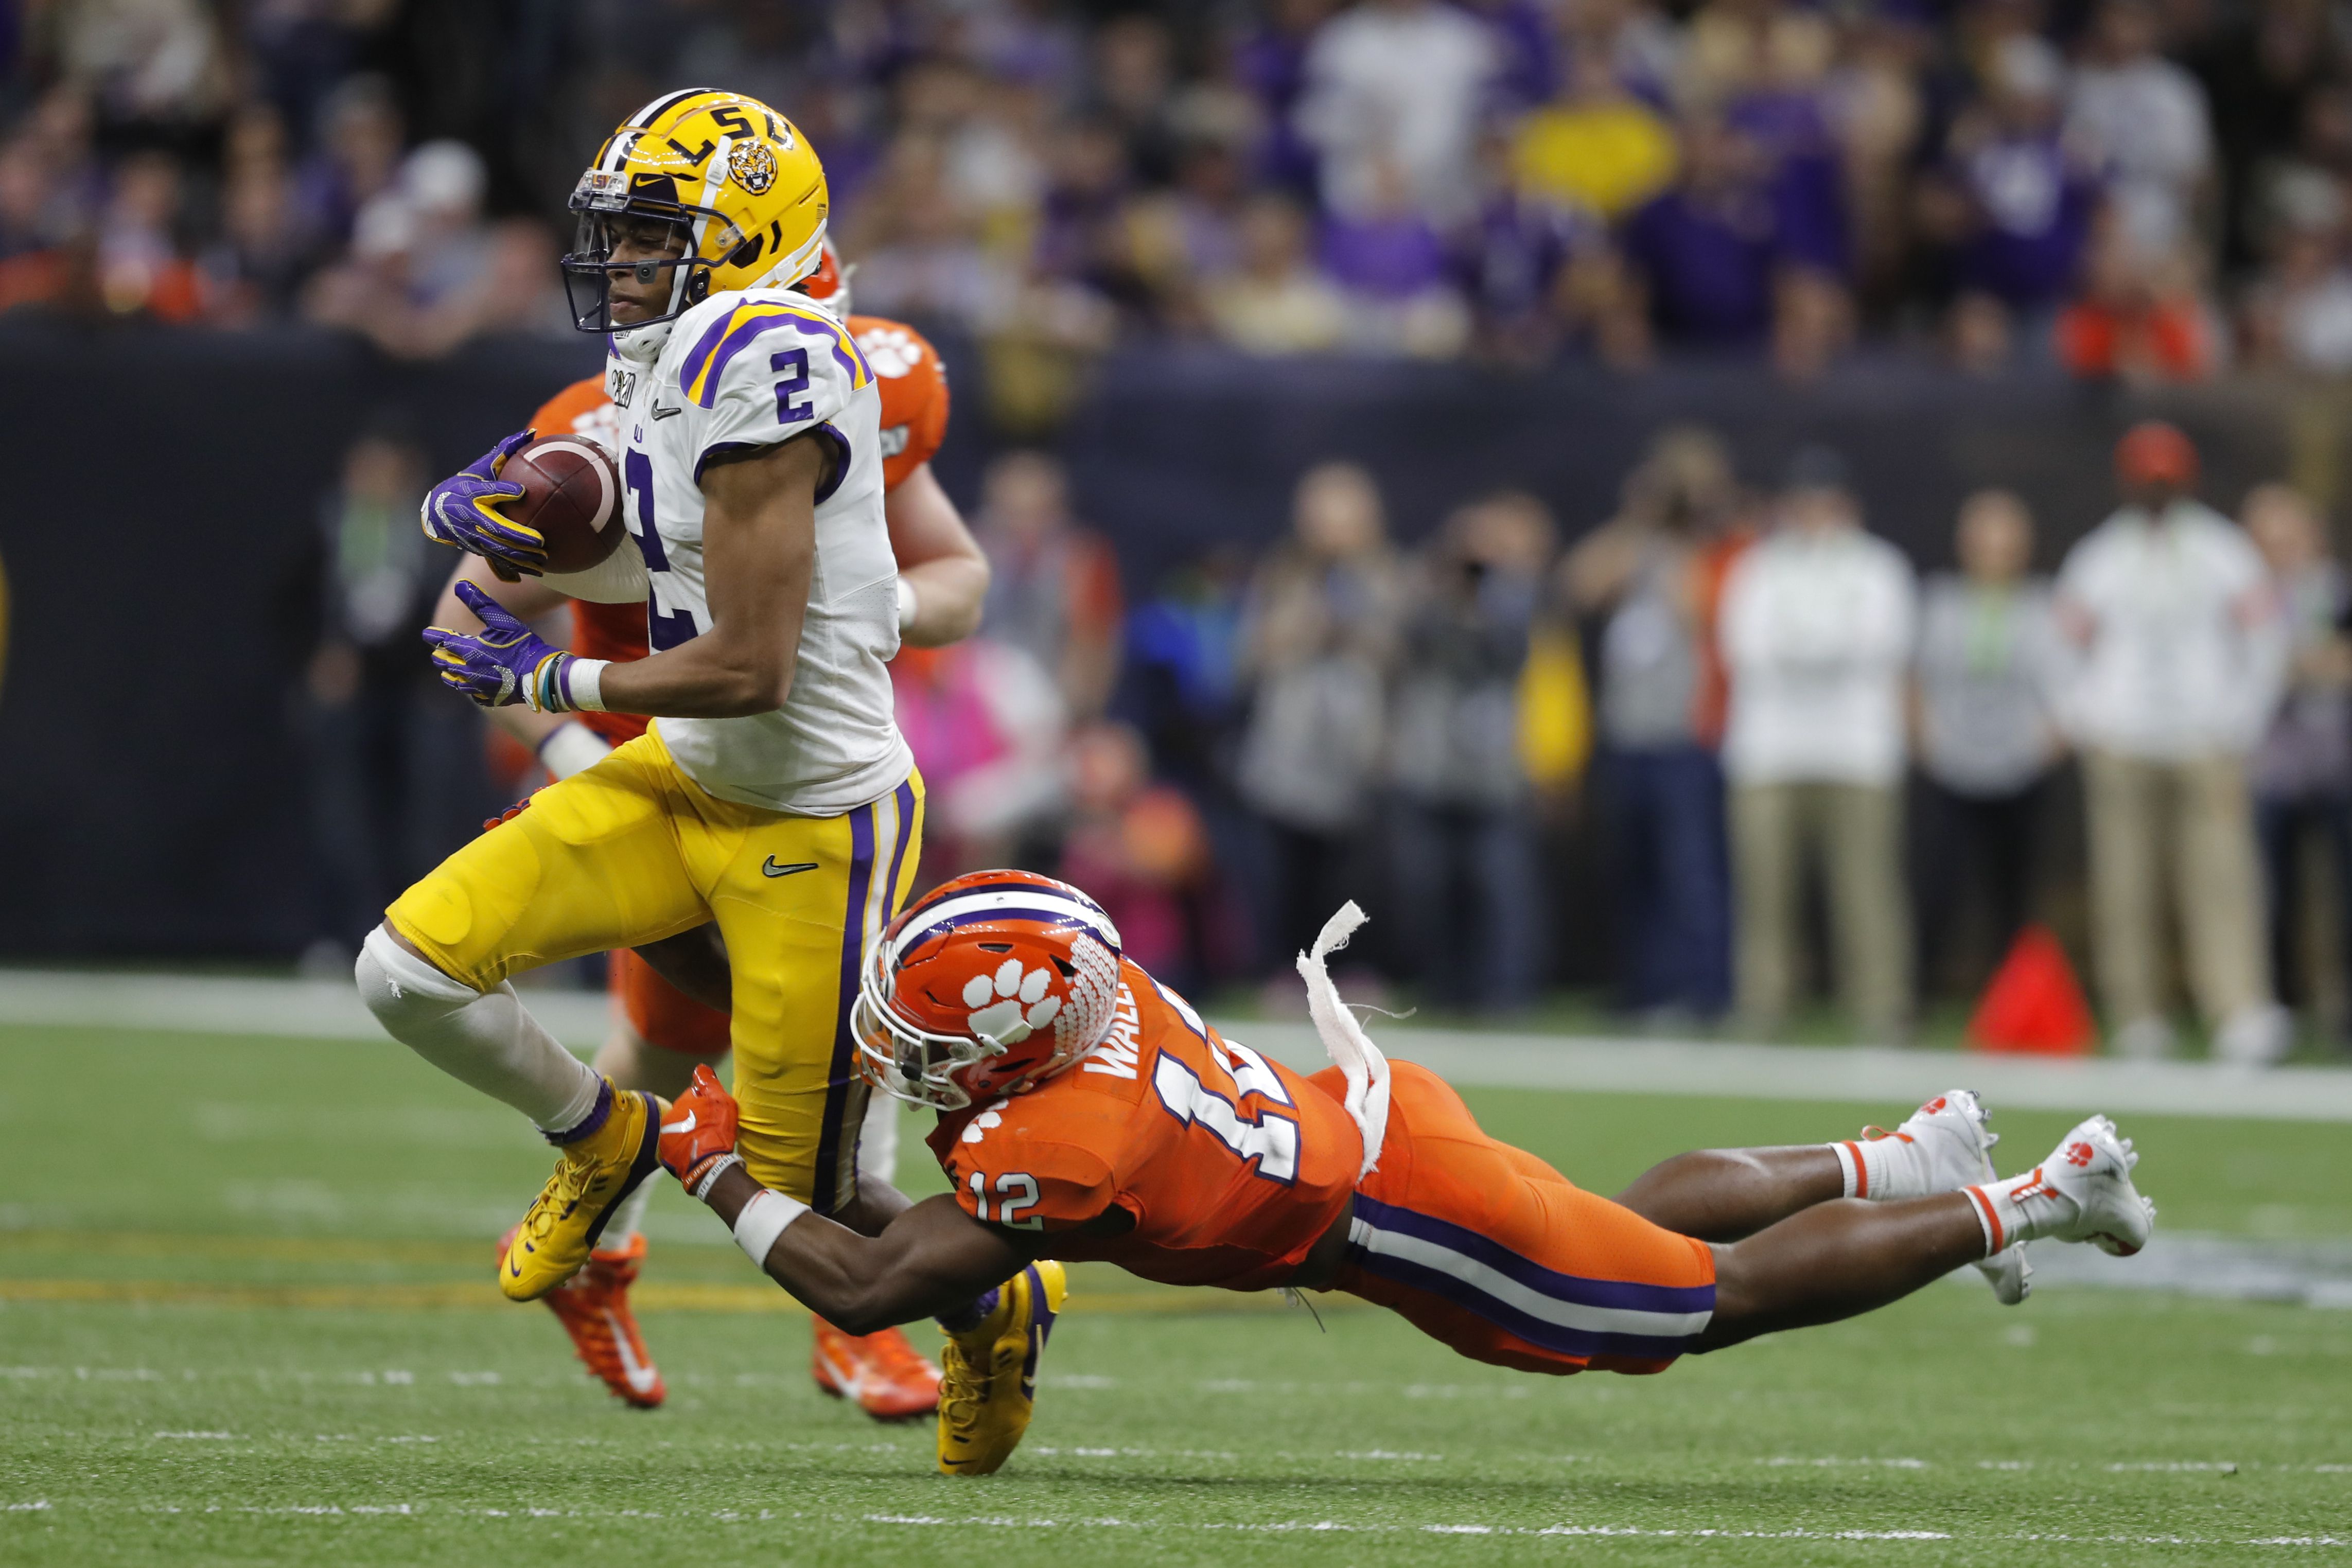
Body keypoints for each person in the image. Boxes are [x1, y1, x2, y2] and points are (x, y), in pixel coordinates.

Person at [355, 92, 1050, 1476]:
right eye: (617, 237)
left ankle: (995, 1299)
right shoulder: (668, 356)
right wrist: (519, 536)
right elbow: (593, 550)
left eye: (652, 238)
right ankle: (604, 1138)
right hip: (680, 769)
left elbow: (747, 663)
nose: (621, 265)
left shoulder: (778, 362)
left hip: (808, 808)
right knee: (406, 970)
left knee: (813, 1201)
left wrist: (548, 687)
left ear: (753, 243)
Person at [647, 869, 2147, 1478]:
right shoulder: (1087, 988)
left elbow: (868, 1275)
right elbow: (926, 1207)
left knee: (1707, 1305)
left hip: (1399, 1216)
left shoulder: (1063, 1141)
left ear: (1017, 1032)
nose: (911, 1056)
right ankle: (1902, 1156)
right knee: (1617, 1222)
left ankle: (2030, 1196)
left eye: (931, 1038)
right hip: (1376, 1116)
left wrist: (715, 1169)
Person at [426, 241, 987, 1418]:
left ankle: (842, 1322)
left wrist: (854, 589)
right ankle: (612, 1239)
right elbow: (466, 622)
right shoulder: (607, 419)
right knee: (674, 1039)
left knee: (835, 1040)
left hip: (798, 766)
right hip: (647, 760)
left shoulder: (835, 384)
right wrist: (584, 752)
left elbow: (958, 579)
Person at [2055, 423, 2291, 1063]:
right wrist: (2087, 720)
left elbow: (2266, 642)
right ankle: (2138, 1015)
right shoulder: (2100, 556)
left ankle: (2237, 1010)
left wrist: (2239, 720)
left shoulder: (2222, 551)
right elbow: (2062, 647)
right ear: (2126, 481)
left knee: (2221, 881)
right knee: (2125, 884)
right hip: (2123, 741)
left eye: (2165, 479)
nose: (2155, 490)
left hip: (2202, 741)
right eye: (2145, 478)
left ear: (2185, 480)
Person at [1718, 448, 1918, 1041]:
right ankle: (1763, 1001)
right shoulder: (1758, 567)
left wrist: (1804, 644)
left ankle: (1881, 1004)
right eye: (1804, 500)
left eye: (1825, 499)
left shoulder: (1879, 567)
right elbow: (1744, 649)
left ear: (1846, 504)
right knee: (1765, 890)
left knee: (1867, 886)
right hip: (1768, 751)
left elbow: (1881, 645)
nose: (1815, 512)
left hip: (1858, 750)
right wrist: (1826, 644)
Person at [1566, 428, 1740, 1020]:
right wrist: (1635, 522)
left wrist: (1684, 532)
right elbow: (1579, 582)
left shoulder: (1706, 552)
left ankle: (1703, 993)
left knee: (1689, 873)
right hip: (1626, 735)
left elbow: (1703, 616)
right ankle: (1642, 989)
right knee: (1632, 871)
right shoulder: (1632, 547)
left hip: (1682, 735)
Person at [1910, 490, 2065, 996]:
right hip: (1952, 763)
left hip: (2020, 766)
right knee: (1940, 886)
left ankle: (2011, 1005)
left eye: (2005, 539)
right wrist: (1925, 738)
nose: (1995, 550)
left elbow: (2067, 682)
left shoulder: (2044, 605)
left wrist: (2051, 738)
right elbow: (1912, 676)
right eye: (1984, 538)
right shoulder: (1941, 601)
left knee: (2013, 895)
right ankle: (1919, 997)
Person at [2242, 484, 2352, 1035]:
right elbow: (2251, 667)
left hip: (2336, 763)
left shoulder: (2334, 587)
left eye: (2290, 536)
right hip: (2271, 766)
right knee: (2272, 896)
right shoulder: (2250, 594)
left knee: (2344, 897)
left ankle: (2343, 1010)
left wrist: (2311, 662)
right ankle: (2281, 1005)